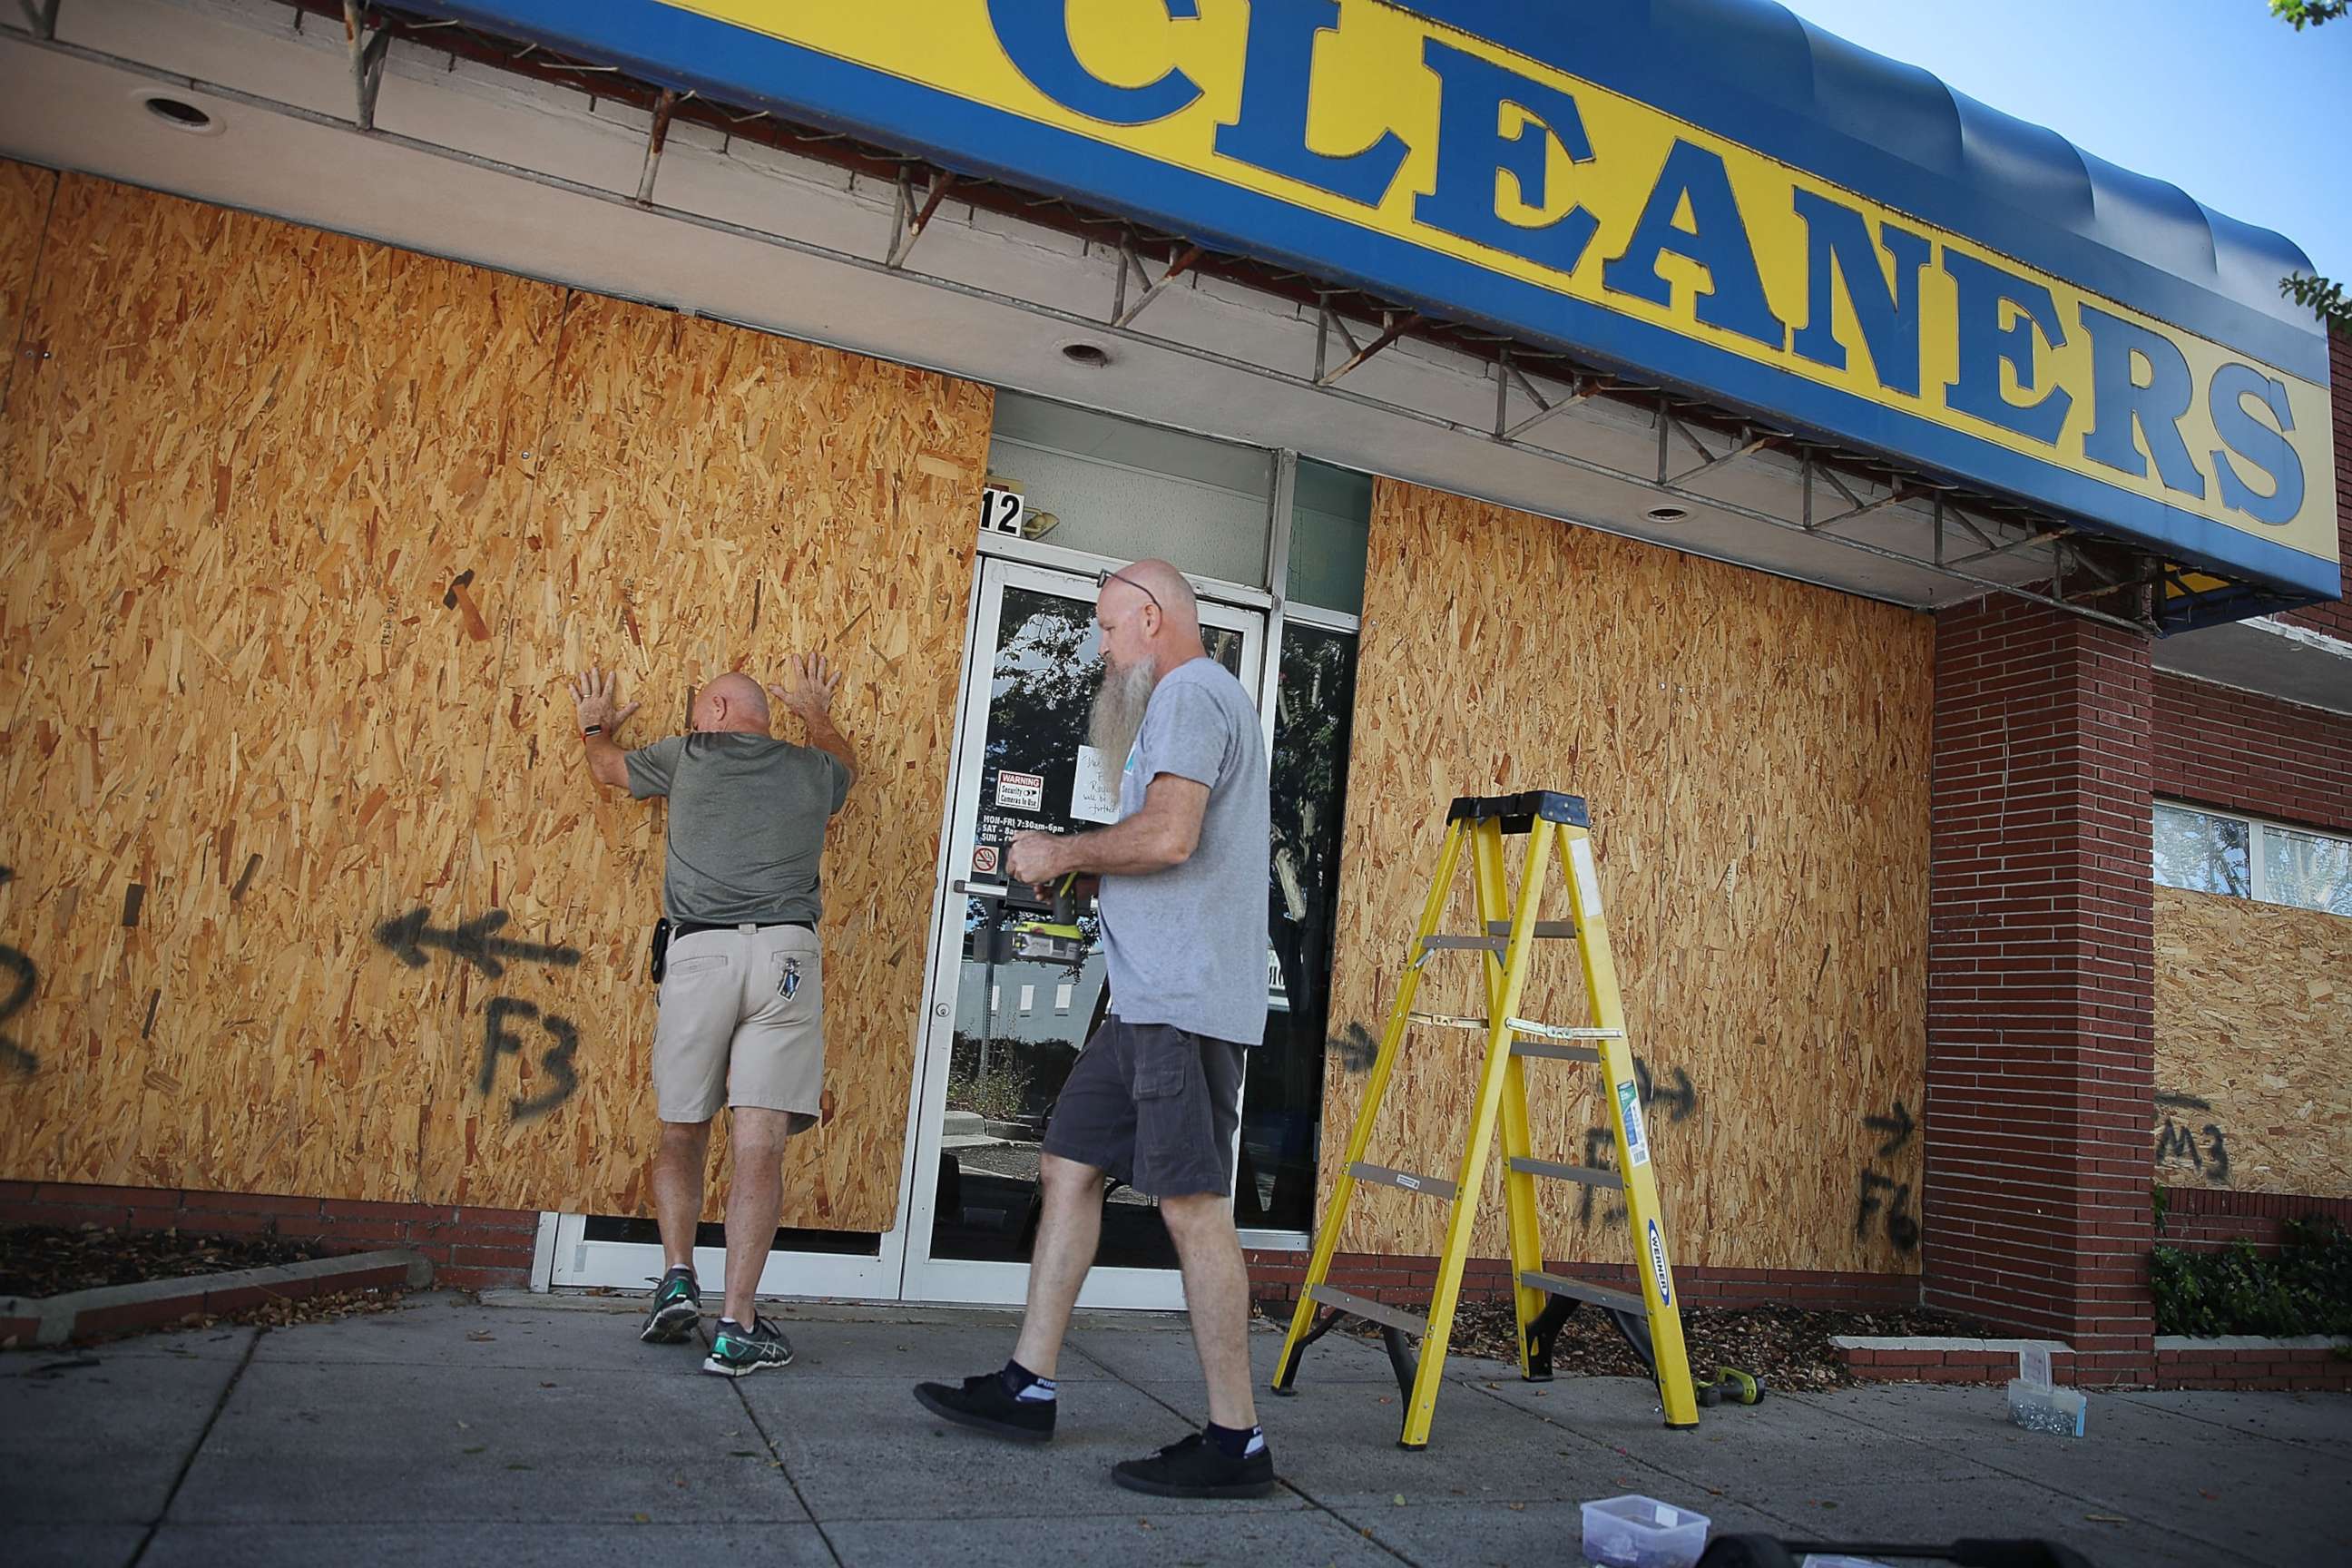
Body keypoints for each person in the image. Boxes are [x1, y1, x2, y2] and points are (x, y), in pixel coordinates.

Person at [914, 559, 1276, 1498]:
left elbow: (1170, 836)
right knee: (1066, 1166)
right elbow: (1163, 848)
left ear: (1152, 618)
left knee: (1191, 1205)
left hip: (1181, 1005)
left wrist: (1064, 850)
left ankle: (1237, 1440)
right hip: (1145, 1000)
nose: (1104, 649)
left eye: (1112, 629)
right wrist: (1085, 875)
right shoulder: (1193, 700)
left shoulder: (1192, 694)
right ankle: (1029, 1387)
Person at [570, 657, 855, 1377]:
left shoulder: (688, 756)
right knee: (759, 1145)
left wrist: (597, 724)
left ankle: (675, 1276)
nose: (694, 719)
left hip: (700, 956)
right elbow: (846, 767)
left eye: (700, 708)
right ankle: (737, 1325)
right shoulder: (808, 767)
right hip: (786, 959)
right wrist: (817, 714)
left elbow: (606, 768)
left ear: (723, 713)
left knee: (681, 1127)